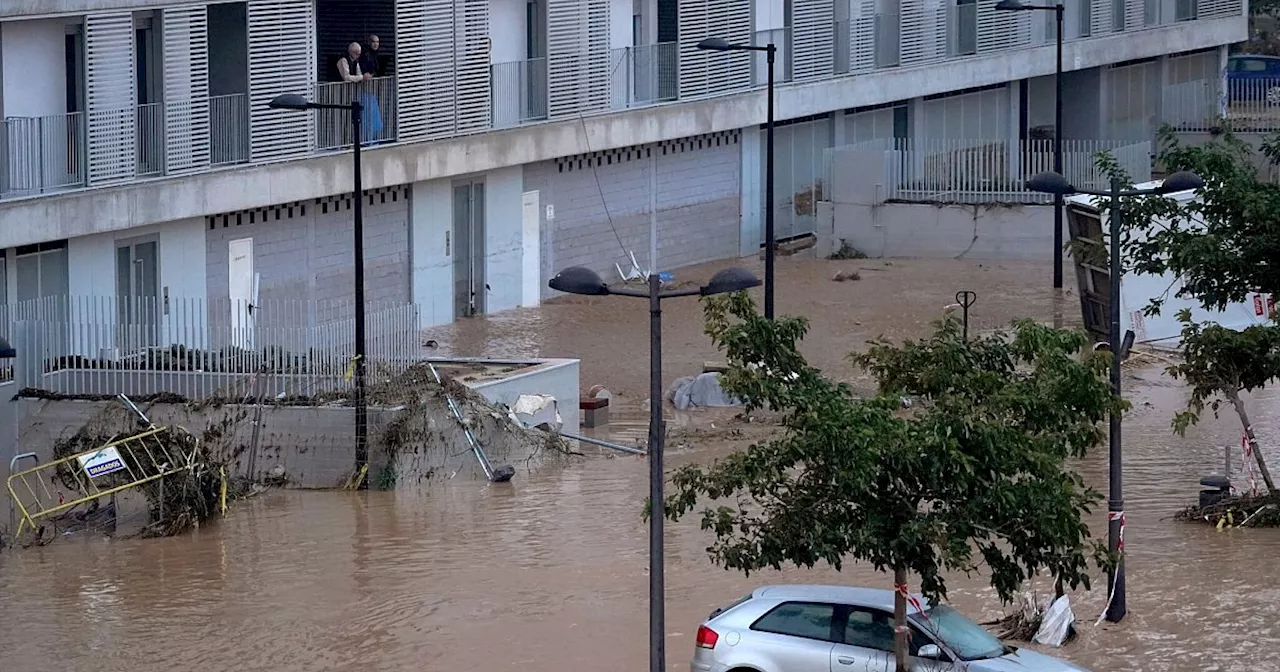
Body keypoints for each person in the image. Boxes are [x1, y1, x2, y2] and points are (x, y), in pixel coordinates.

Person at [333, 42, 383, 145]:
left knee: (353, 118)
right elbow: (346, 77)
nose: (359, 56)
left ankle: (353, 140)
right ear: (351, 52)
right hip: (341, 93)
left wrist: (364, 76)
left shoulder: (356, 61)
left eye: (359, 53)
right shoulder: (343, 60)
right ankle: (343, 143)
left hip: (351, 94)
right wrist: (361, 78)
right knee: (343, 118)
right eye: (357, 53)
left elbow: (358, 73)